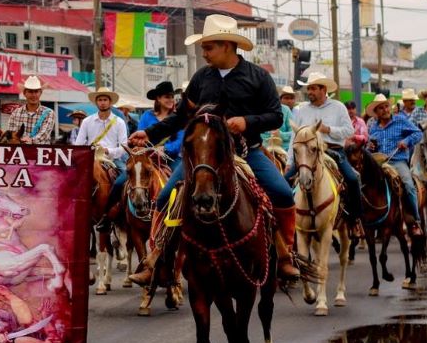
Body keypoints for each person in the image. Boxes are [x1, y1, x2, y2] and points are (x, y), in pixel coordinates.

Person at [127, 14, 299, 283]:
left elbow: (275, 115)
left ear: (227, 46)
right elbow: (181, 116)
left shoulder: (258, 77)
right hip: (202, 157)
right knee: (164, 197)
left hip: (245, 152)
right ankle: (156, 259)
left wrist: (246, 121)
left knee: (282, 193)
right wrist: (148, 133)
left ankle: (285, 255)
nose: (204, 53)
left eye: (208, 47)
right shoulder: (200, 79)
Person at [283, 72, 363, 236]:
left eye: (313, 88)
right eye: (309, 89)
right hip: (307, 154)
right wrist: (290, 161)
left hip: (333, 151)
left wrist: (329, 130)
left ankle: (354, 219)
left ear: (323, 89)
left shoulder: (338, 107)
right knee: (284, 181)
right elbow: (294, 137)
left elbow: (349, 130)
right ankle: (285, 221)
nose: (309, 92)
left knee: (353, 179)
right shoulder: (302, 110)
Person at [365, 94, 423, 237]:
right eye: (381, 108)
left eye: (386, 106)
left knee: (408, 185)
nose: (385, 110)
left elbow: (418, 133)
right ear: (376, 112)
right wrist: (370, 147)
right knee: (361, 185)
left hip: (397, 160)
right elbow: (369, 147)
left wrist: (406, 142)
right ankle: (362, 221)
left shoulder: (401, 121)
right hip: (378, 163)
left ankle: (415, 221)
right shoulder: (373, 127)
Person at [74, 87, 129, 224]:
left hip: (113, 159)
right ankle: (74, 209)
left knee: (125, 177)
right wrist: (89, 151)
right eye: (100, 100)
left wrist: (107, 151)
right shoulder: (87, 121)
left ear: (110, 102)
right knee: (70, 178)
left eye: (105, 100)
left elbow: (123, 147)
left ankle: (118, 210)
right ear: (96, 103)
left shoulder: (119, 122)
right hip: (91, 159)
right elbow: (78, 144)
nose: (103, 102)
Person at [138, 80, 184, 209]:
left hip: (173, 158)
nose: (171, 100)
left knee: (183, 183)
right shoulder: (147, 116)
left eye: (172, 97)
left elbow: (179, 142)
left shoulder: (178, 117)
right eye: (167, 97)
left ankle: (180, 213)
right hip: (148, 157)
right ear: (158, 98)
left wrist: (165, 148)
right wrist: (152, 149)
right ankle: (110, 216)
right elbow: (141, 138)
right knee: (122, 181)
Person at [4, 75, 56, 144]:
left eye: (36, 92)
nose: (34, 95)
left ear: (40, 93)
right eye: (30, 92)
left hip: (41, 153)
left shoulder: (49, 113)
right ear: (25, 93)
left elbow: (44, 134)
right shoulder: (15, 113)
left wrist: (31, 140)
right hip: (20, 152)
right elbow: (11, 135)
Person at [263, 85, 295, 152]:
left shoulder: (286, 110)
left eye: (291, 98)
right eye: (286, 98)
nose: (289, 101)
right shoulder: (259, 110)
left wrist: (281, 134)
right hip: (263, 148)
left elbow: (294, 133)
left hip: (283, 148)